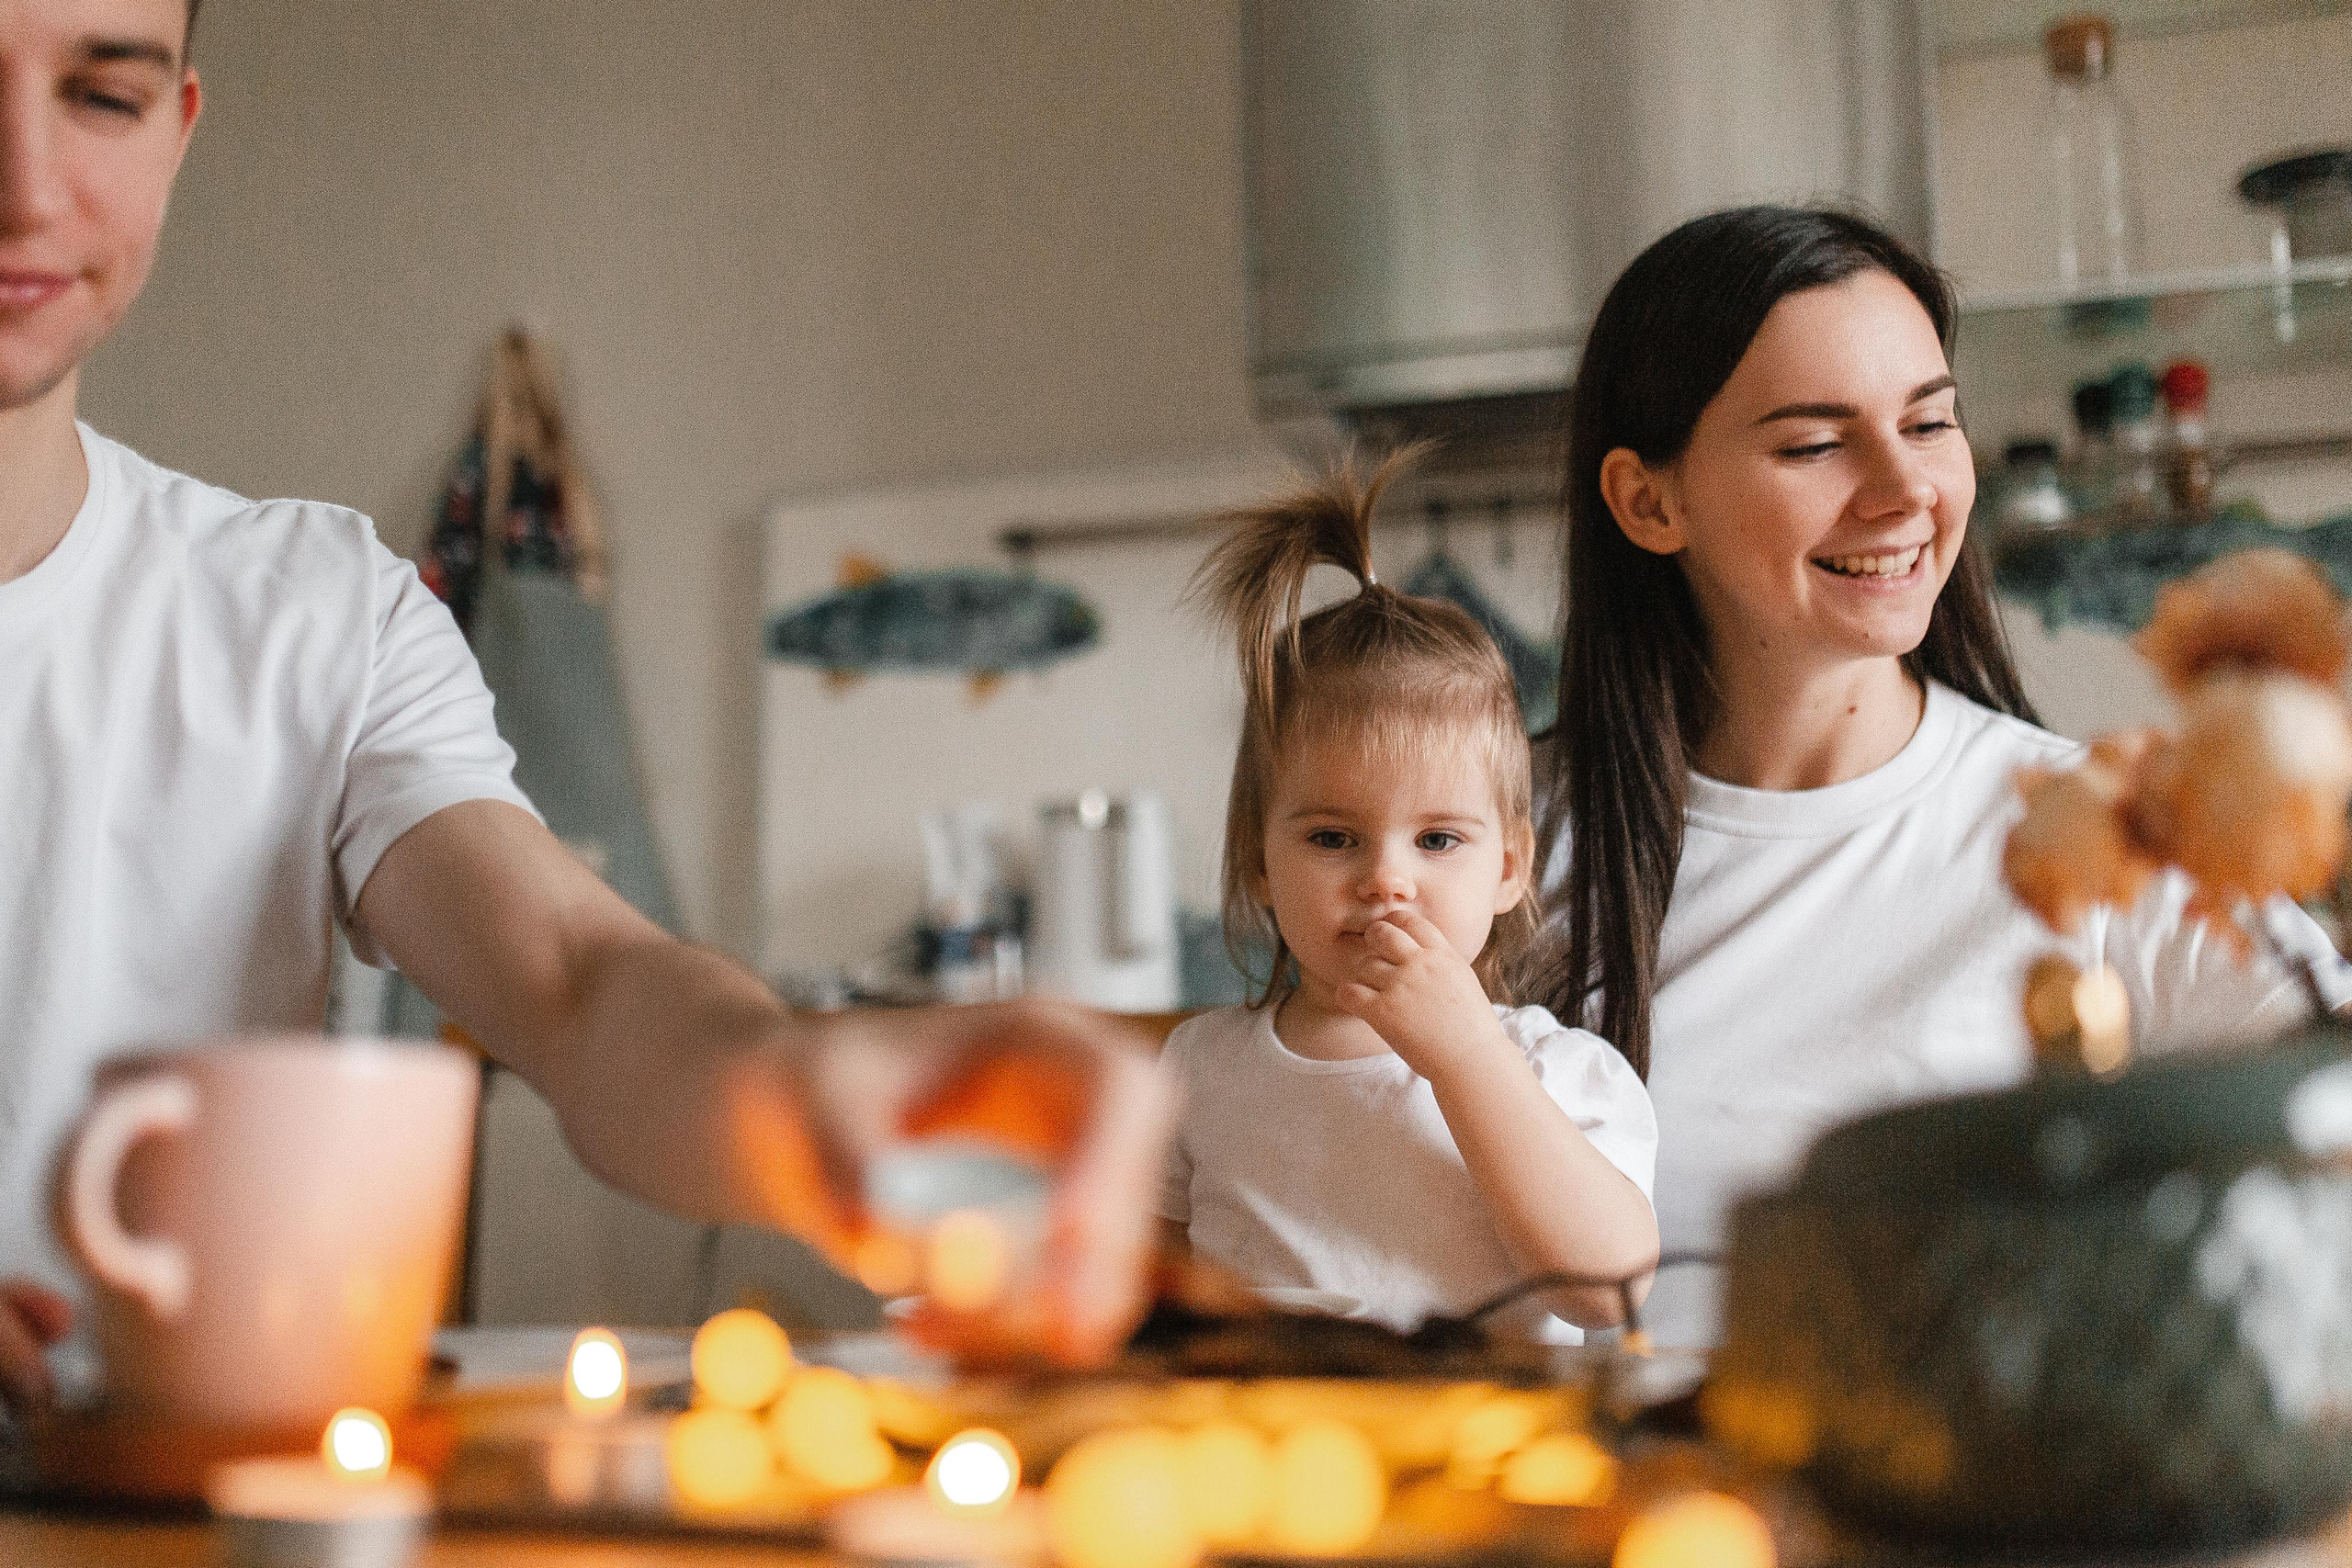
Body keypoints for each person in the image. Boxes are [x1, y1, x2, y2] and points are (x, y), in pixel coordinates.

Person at [0, 0, 1172, 1412]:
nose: (24, 181)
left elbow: (571, 979)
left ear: (177, 129)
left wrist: (817, 1091)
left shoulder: (317, 614)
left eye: (101, 97)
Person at [1522, 204, 2348, 1348]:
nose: (1903, 489)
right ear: (1648, 500)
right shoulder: (1493, 849)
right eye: (1814, 443)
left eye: (1929, 423)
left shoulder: (2099, 829)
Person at [1157, 456, 1658, 1338]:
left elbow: (1606, 1292)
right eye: (1332, 837)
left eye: (1437, 840)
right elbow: (1136, 1288)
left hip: (1491, 1461)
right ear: (1258, 863)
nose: (1386, 878)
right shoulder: (1201, 1069)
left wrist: (1465, 1055)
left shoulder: (1554, 1073)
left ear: (1509, 867)